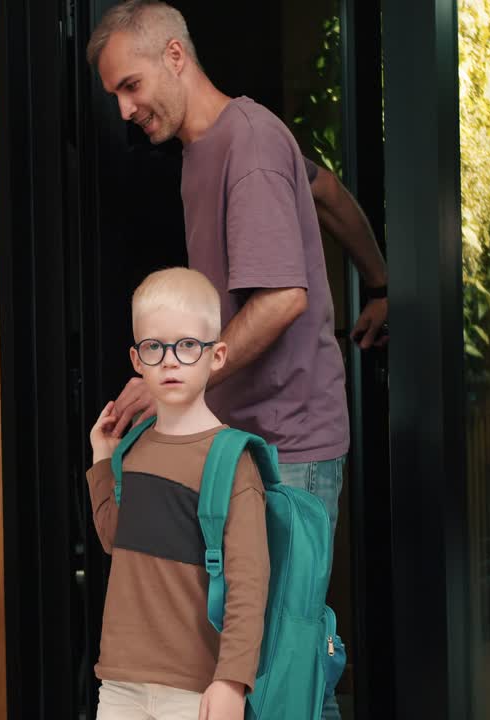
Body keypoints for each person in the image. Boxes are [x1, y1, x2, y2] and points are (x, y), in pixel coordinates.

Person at [87, 3, 387, 717]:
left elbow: (282, 298)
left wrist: (175, 383)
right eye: (115, 96)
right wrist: (378, 281)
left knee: (280, 666)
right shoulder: (223, 147)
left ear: (175, 58)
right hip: (240, 440)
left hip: (289, 444)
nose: (125, 109)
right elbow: (327, 192)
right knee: (261, 653)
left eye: (130, 86)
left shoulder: (245, 147)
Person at [87, 267, 269, 720]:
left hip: (194, 688)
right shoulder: (133, 449)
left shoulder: (230, 459)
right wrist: (102, 460)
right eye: (155, 347)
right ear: (136, 359)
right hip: (120, 682)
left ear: (218, 355)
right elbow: (114, 539)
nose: (170, 360)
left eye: (188, 346)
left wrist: (232, 680)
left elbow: (249, 583)